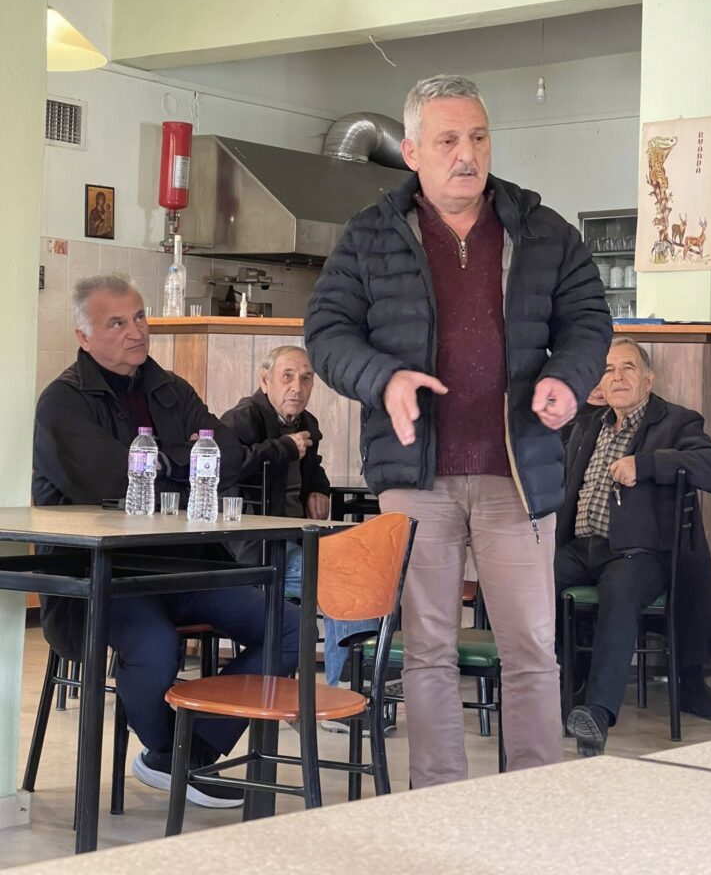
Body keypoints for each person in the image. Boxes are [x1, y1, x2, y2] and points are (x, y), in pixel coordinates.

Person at [305, 74, 612, 787]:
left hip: (519, 472)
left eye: (477, 137)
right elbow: (326, 332)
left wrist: (567, 377)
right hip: (416, 474)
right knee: (428, 651)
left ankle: (535, 795)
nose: (466, 154)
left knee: (531, 648)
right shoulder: (370, 234)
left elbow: (589, 321)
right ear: (412, 152)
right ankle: (436, 800)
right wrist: (384, 378)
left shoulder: (543, 230)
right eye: (447, 140)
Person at [32, 274, 300, 807]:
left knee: (288, 626)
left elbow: (226, 456)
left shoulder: (170, 389)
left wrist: (158, 463)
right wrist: (182, 461)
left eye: (139, 317)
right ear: (84, 336)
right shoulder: (63, 401)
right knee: (155, 644)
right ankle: (170, 752)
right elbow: (111, 481)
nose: (136, 332)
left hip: (181, 562)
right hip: (100, 573)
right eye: (116, 323)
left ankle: (186, 752)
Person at [556, 336, 711, 757]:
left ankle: (596, 714)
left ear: (649, 380)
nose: (617, 377)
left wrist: (648, 464)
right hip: (580, 547)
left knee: (619, 594)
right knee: (529, 583)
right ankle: (554, 691)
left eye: (628, 368)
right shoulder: (589, 426)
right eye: (609, 370)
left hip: (637, 552)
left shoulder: (677, 422)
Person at [221, 344, 378, 731]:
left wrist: (318, 488)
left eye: (306, 379)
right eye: (287, 377)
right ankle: (334, 696)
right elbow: (225, 467)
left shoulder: (306, 422)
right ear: (265, 381)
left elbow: (313, 467)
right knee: (341, 579)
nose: (297, 386)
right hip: (252, 547)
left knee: (366, 568)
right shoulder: (242, 418)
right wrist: (282, 448)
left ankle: (341, 687)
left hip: (295, 540)